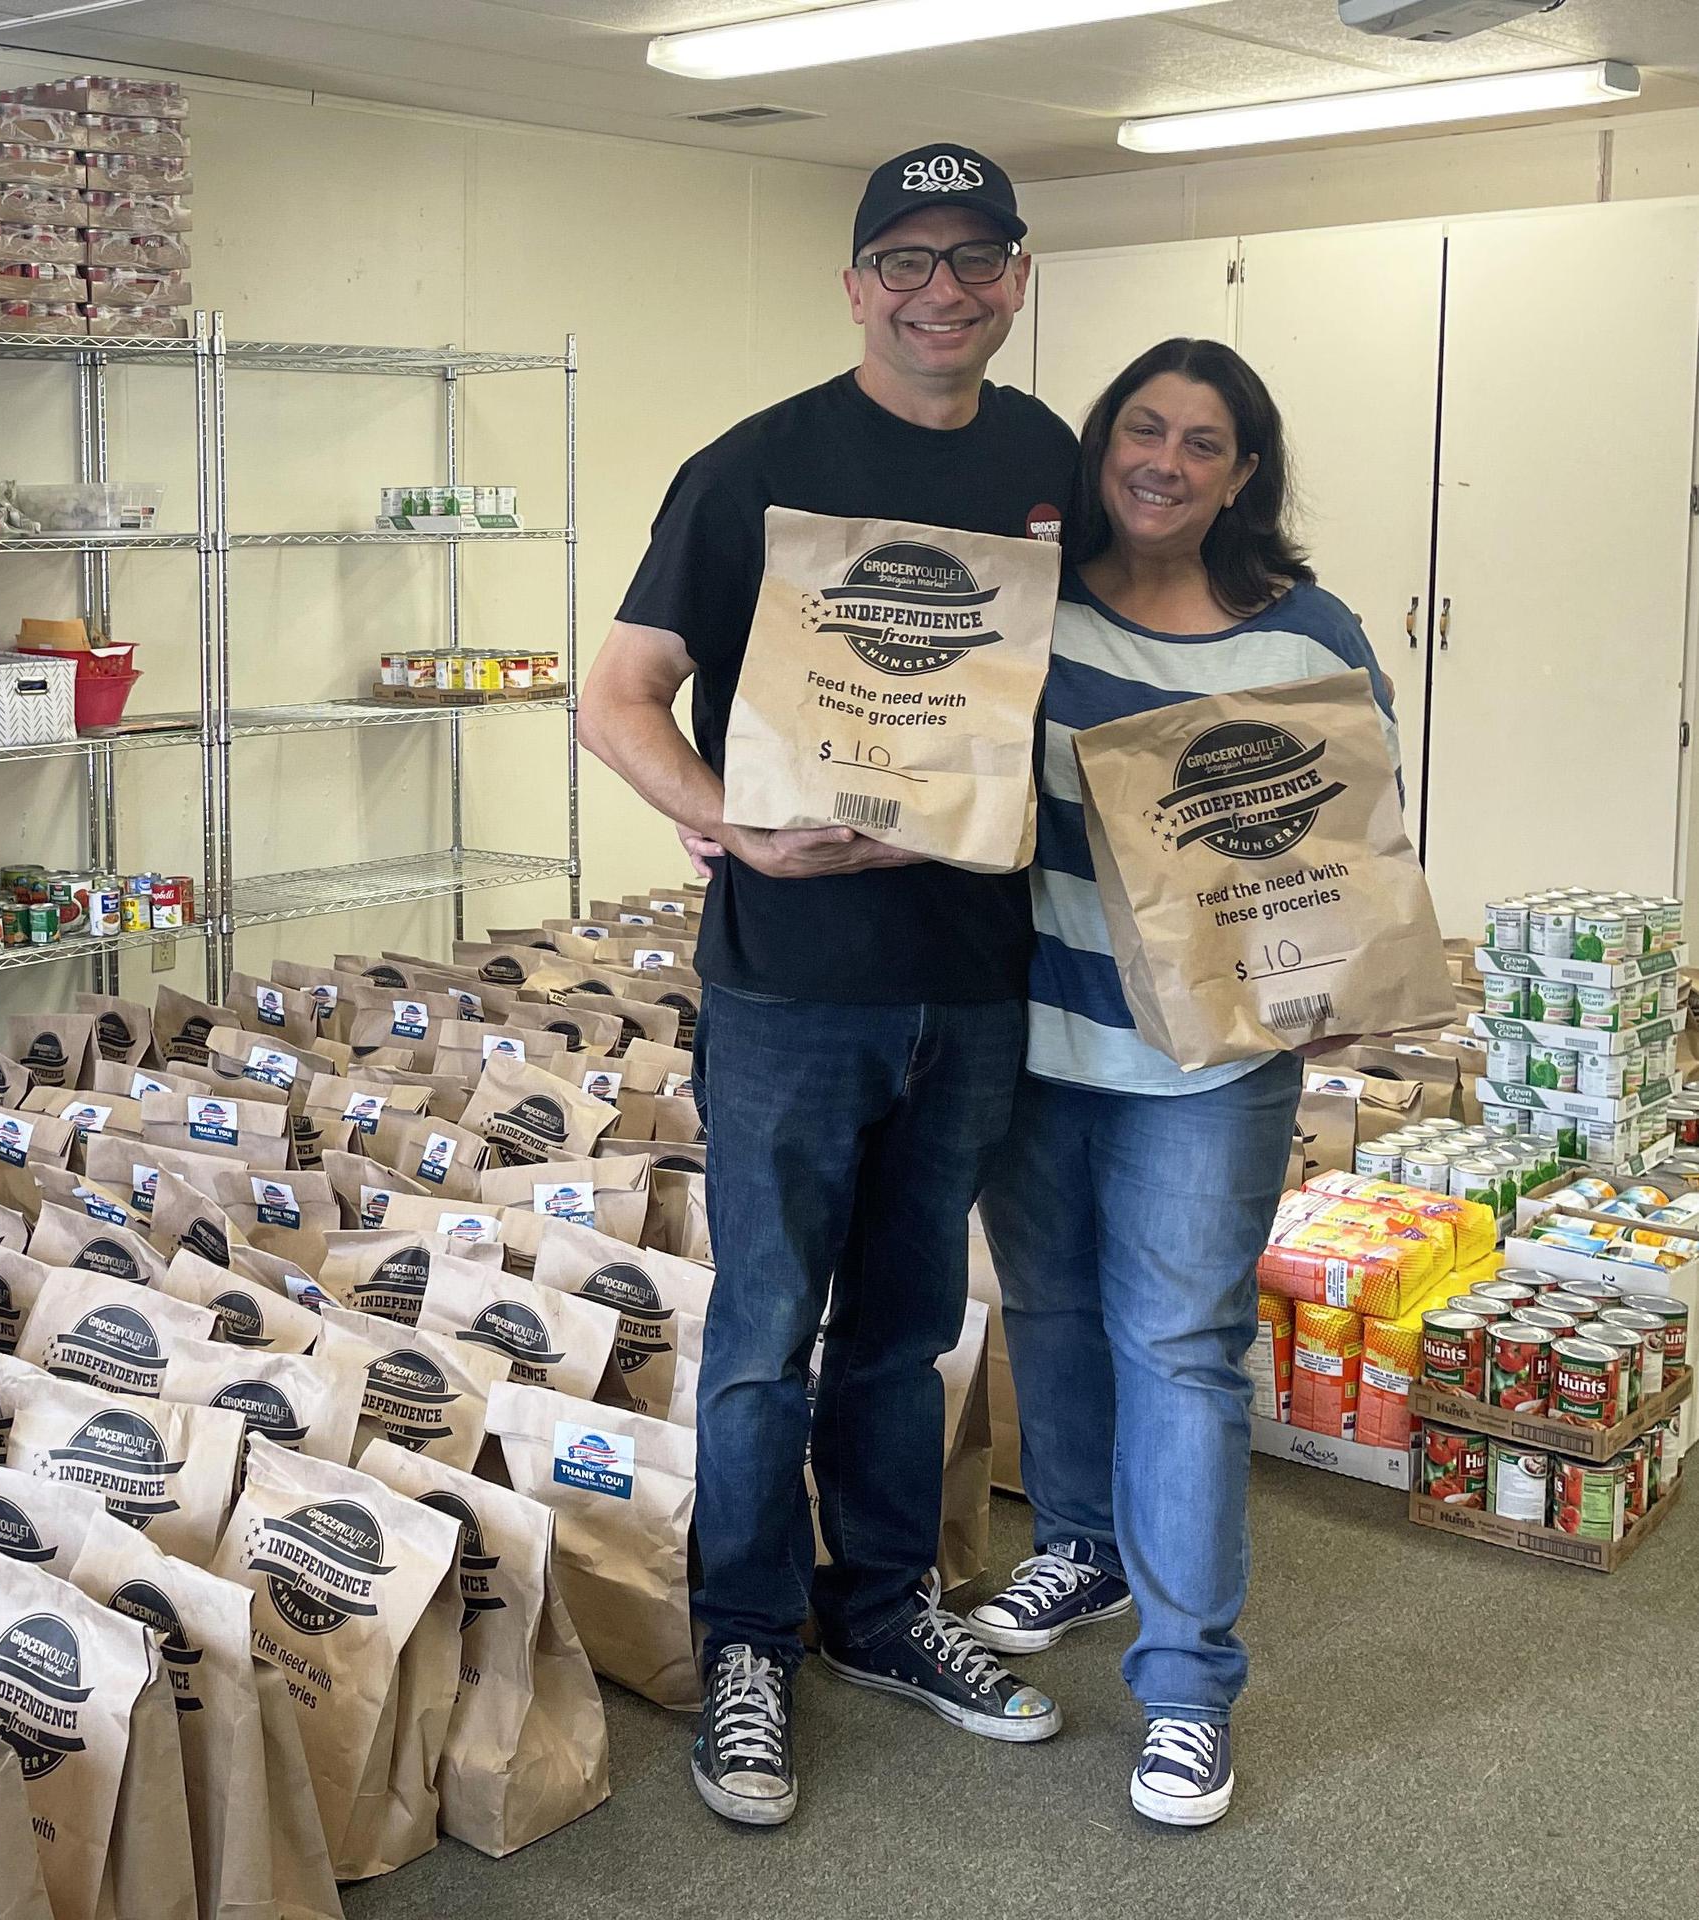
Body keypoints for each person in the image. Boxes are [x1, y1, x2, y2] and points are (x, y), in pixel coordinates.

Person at [577, 143, 1078, 1829]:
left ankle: (879, 1612)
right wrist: (724, 824)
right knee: (765, 1337)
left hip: (978, 971)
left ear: (1015, 274)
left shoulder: (1041, 457)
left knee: (909, 1326)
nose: (943, 290)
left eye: (978, 258)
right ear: (856, 279)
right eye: (907, 260)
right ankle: (742, 1641)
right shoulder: (756, 470)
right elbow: (623, 694)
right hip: (796, 980)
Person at [965, 338, 1399, 1830]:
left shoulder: (1308, 638)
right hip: (1029, 1029)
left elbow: (1345, 846)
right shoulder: (1029, 609)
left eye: (1199, 442)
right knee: (1056, 1311)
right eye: (1137, 430)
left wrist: (1340, 980)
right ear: (1099, 448)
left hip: (1206, 1061)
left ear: (1242, 472)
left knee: (1183, 1348)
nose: (1161, 460)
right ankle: (1081, 1541)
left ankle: (1188, 1686)